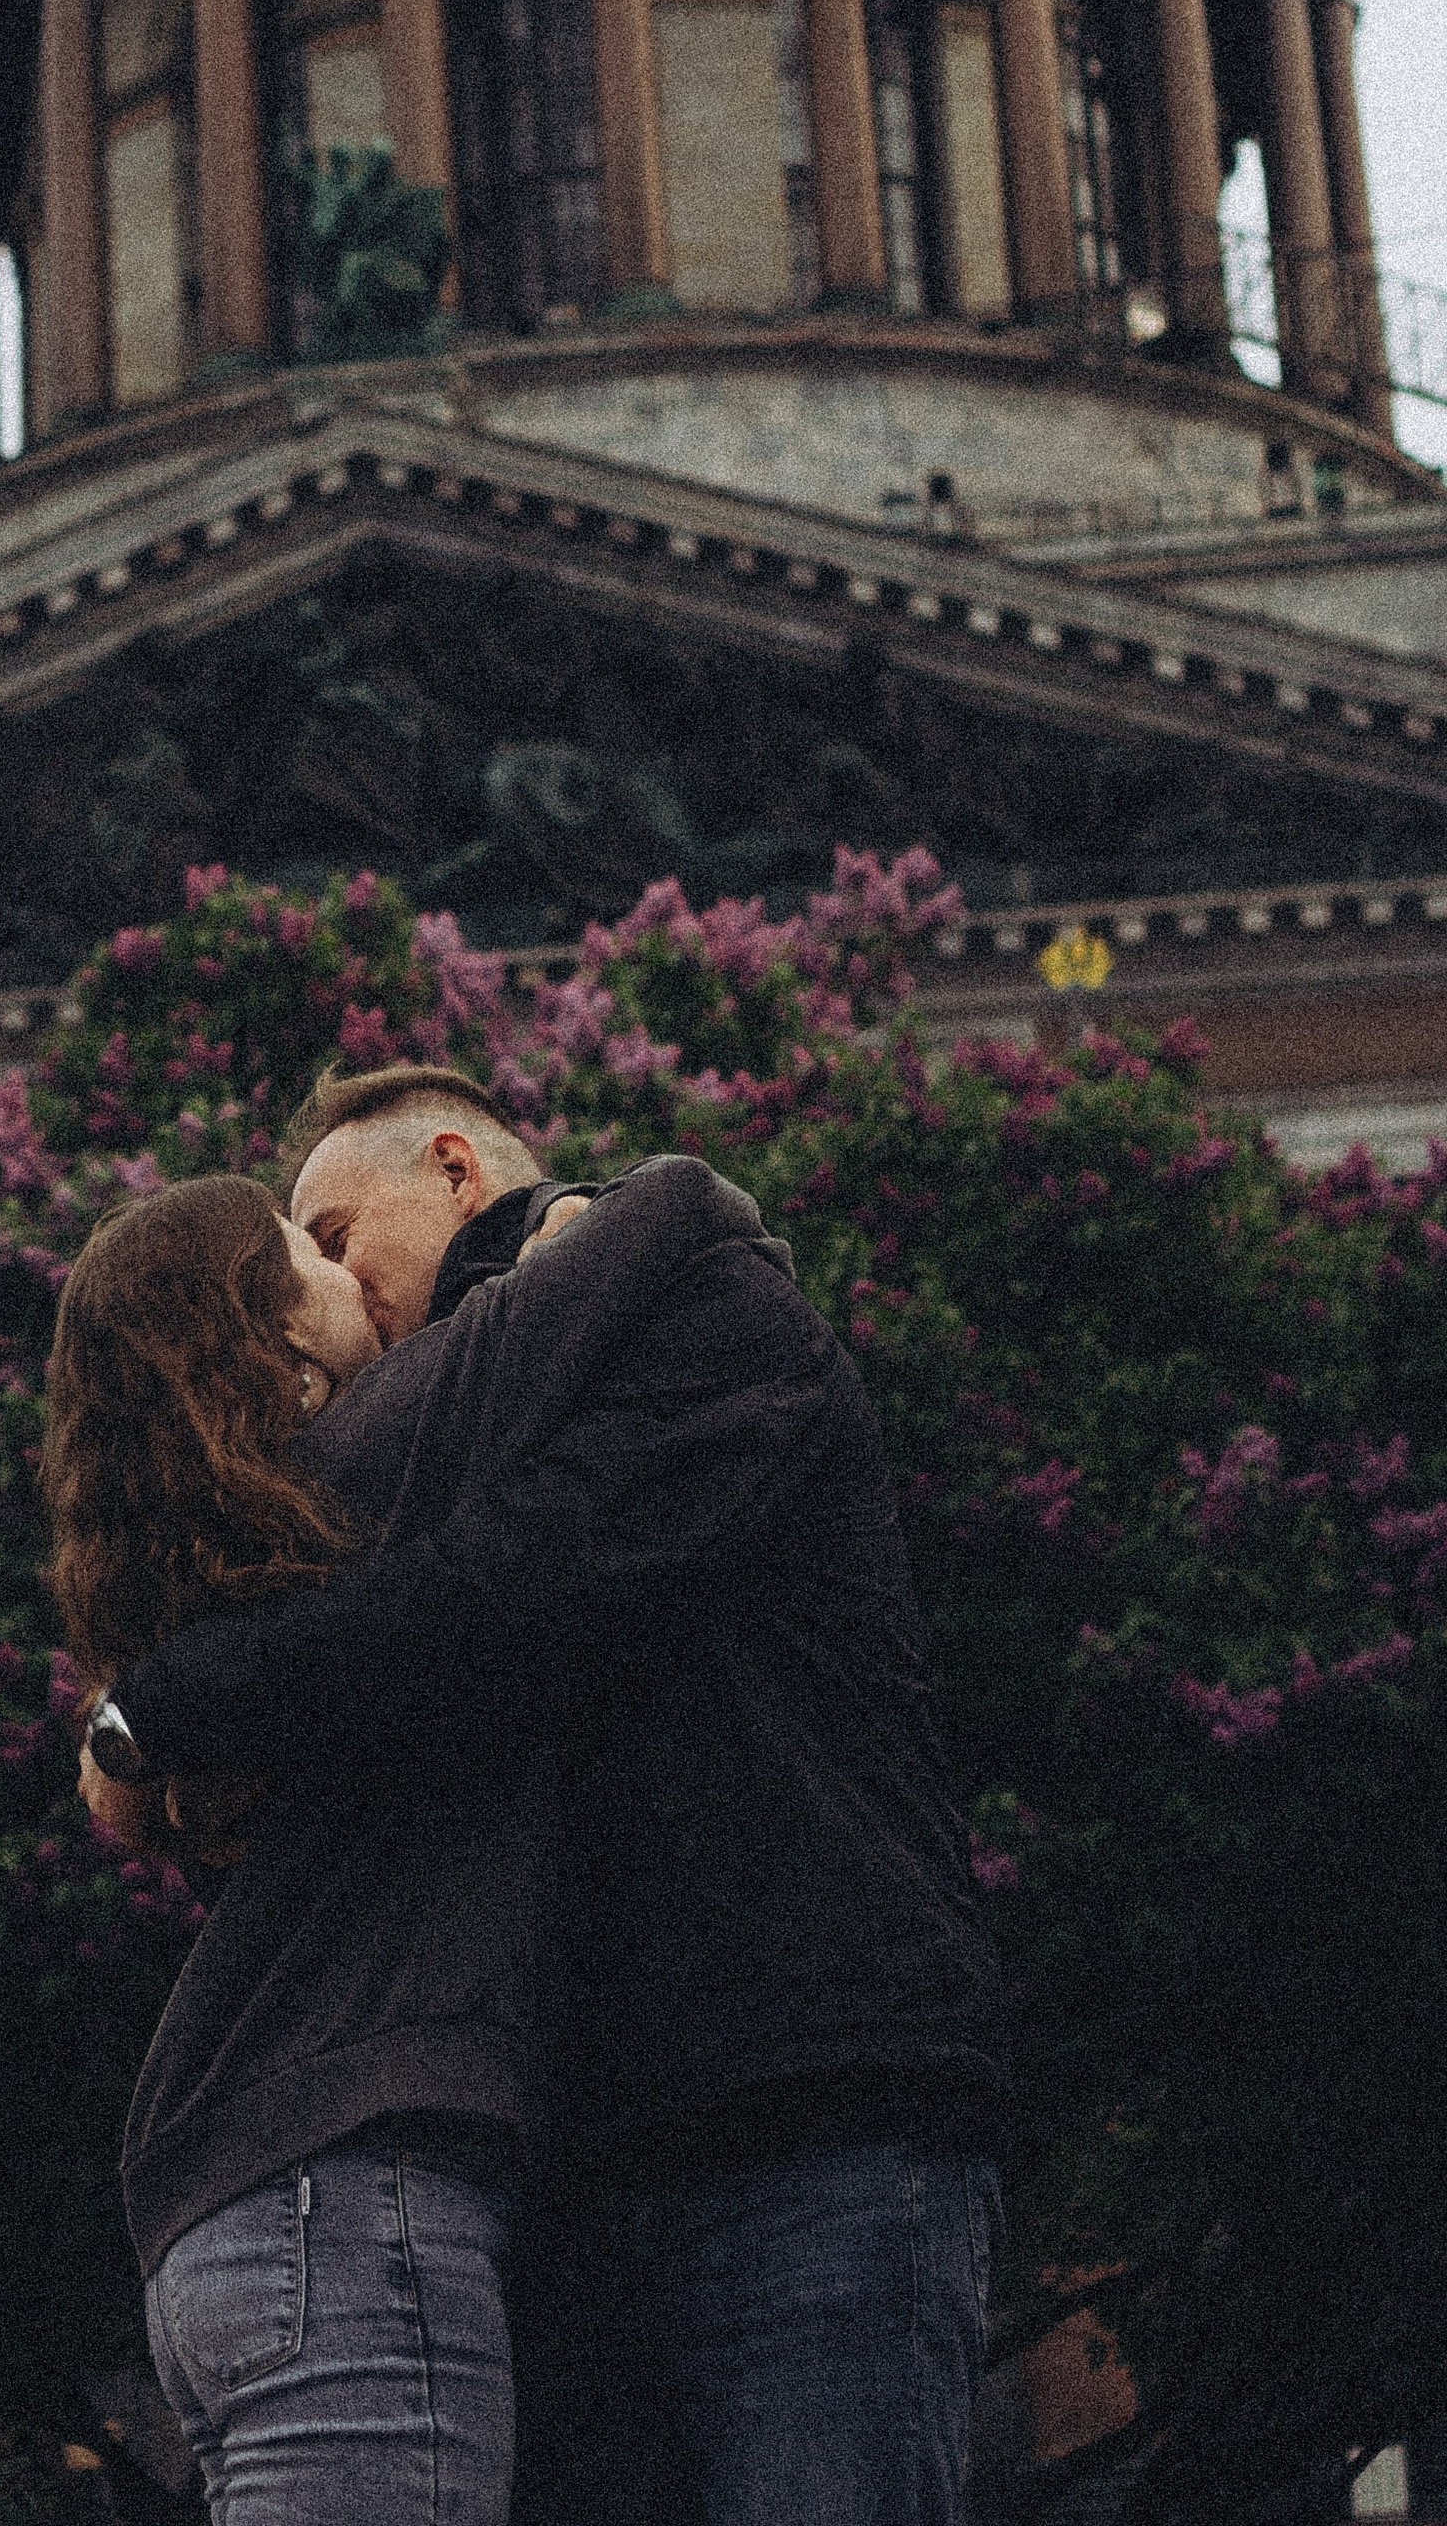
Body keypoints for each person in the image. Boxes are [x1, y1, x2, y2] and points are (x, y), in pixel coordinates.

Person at [103, 1067, 1007, 2526]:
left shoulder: (705, 1311)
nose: (331, 1288)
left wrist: (162, 1710)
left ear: (458, 1172)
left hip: (806, 2109)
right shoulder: (467, 1415)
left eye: (337, 1236)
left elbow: (530, 1572)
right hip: (580, 2154)